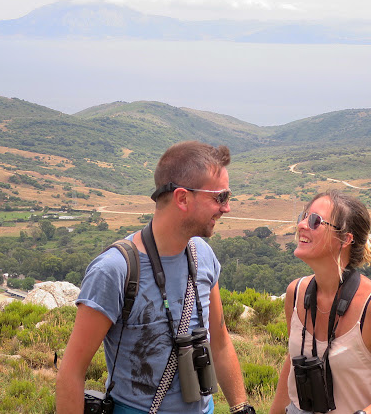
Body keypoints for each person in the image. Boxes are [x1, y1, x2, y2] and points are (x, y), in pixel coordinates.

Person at [56, 141, 254, 414]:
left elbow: (219, 343)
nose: (226, 208)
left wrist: (241, 407)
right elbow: (71, 372)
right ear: (182, 198)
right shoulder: (115, 270)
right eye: (220, 197)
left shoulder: (203, 256)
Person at [270, 190, 371, 414]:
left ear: (345, 239)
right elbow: (292, 360)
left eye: (315, 221)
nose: (302, 225)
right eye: (303, 217)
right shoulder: (296, 293)